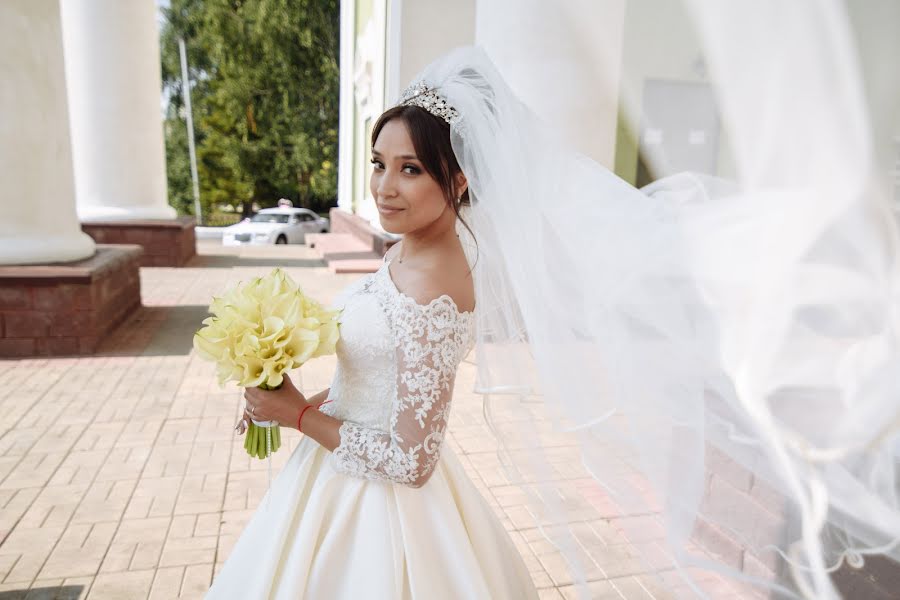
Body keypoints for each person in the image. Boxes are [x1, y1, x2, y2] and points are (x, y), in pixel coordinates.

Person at [205, 53, 539, 600]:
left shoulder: (434, 288)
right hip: (335, 468)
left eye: (410, 169)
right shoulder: (406, 251)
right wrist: (283, 401)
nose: (385, 186)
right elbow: (376, 386)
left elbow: (411, 461)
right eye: (378, 163)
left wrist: (296, 414)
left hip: (382, 516)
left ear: (457, 181)